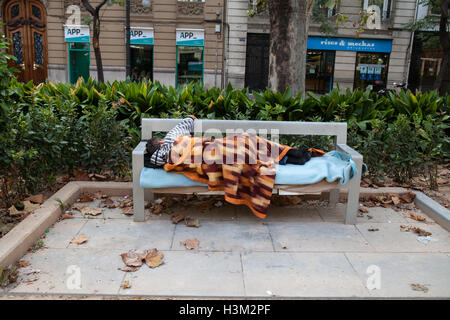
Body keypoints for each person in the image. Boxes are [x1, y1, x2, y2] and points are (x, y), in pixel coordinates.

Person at [144, 116, 312, 168]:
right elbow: (189, 119)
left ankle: (289, 157)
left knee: (244, 151)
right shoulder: (171, 137)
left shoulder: (158, 158)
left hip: (206, 156)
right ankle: (290, 153)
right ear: (159, 141)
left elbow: (149, 161)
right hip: (208, 148)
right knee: (247, 140)